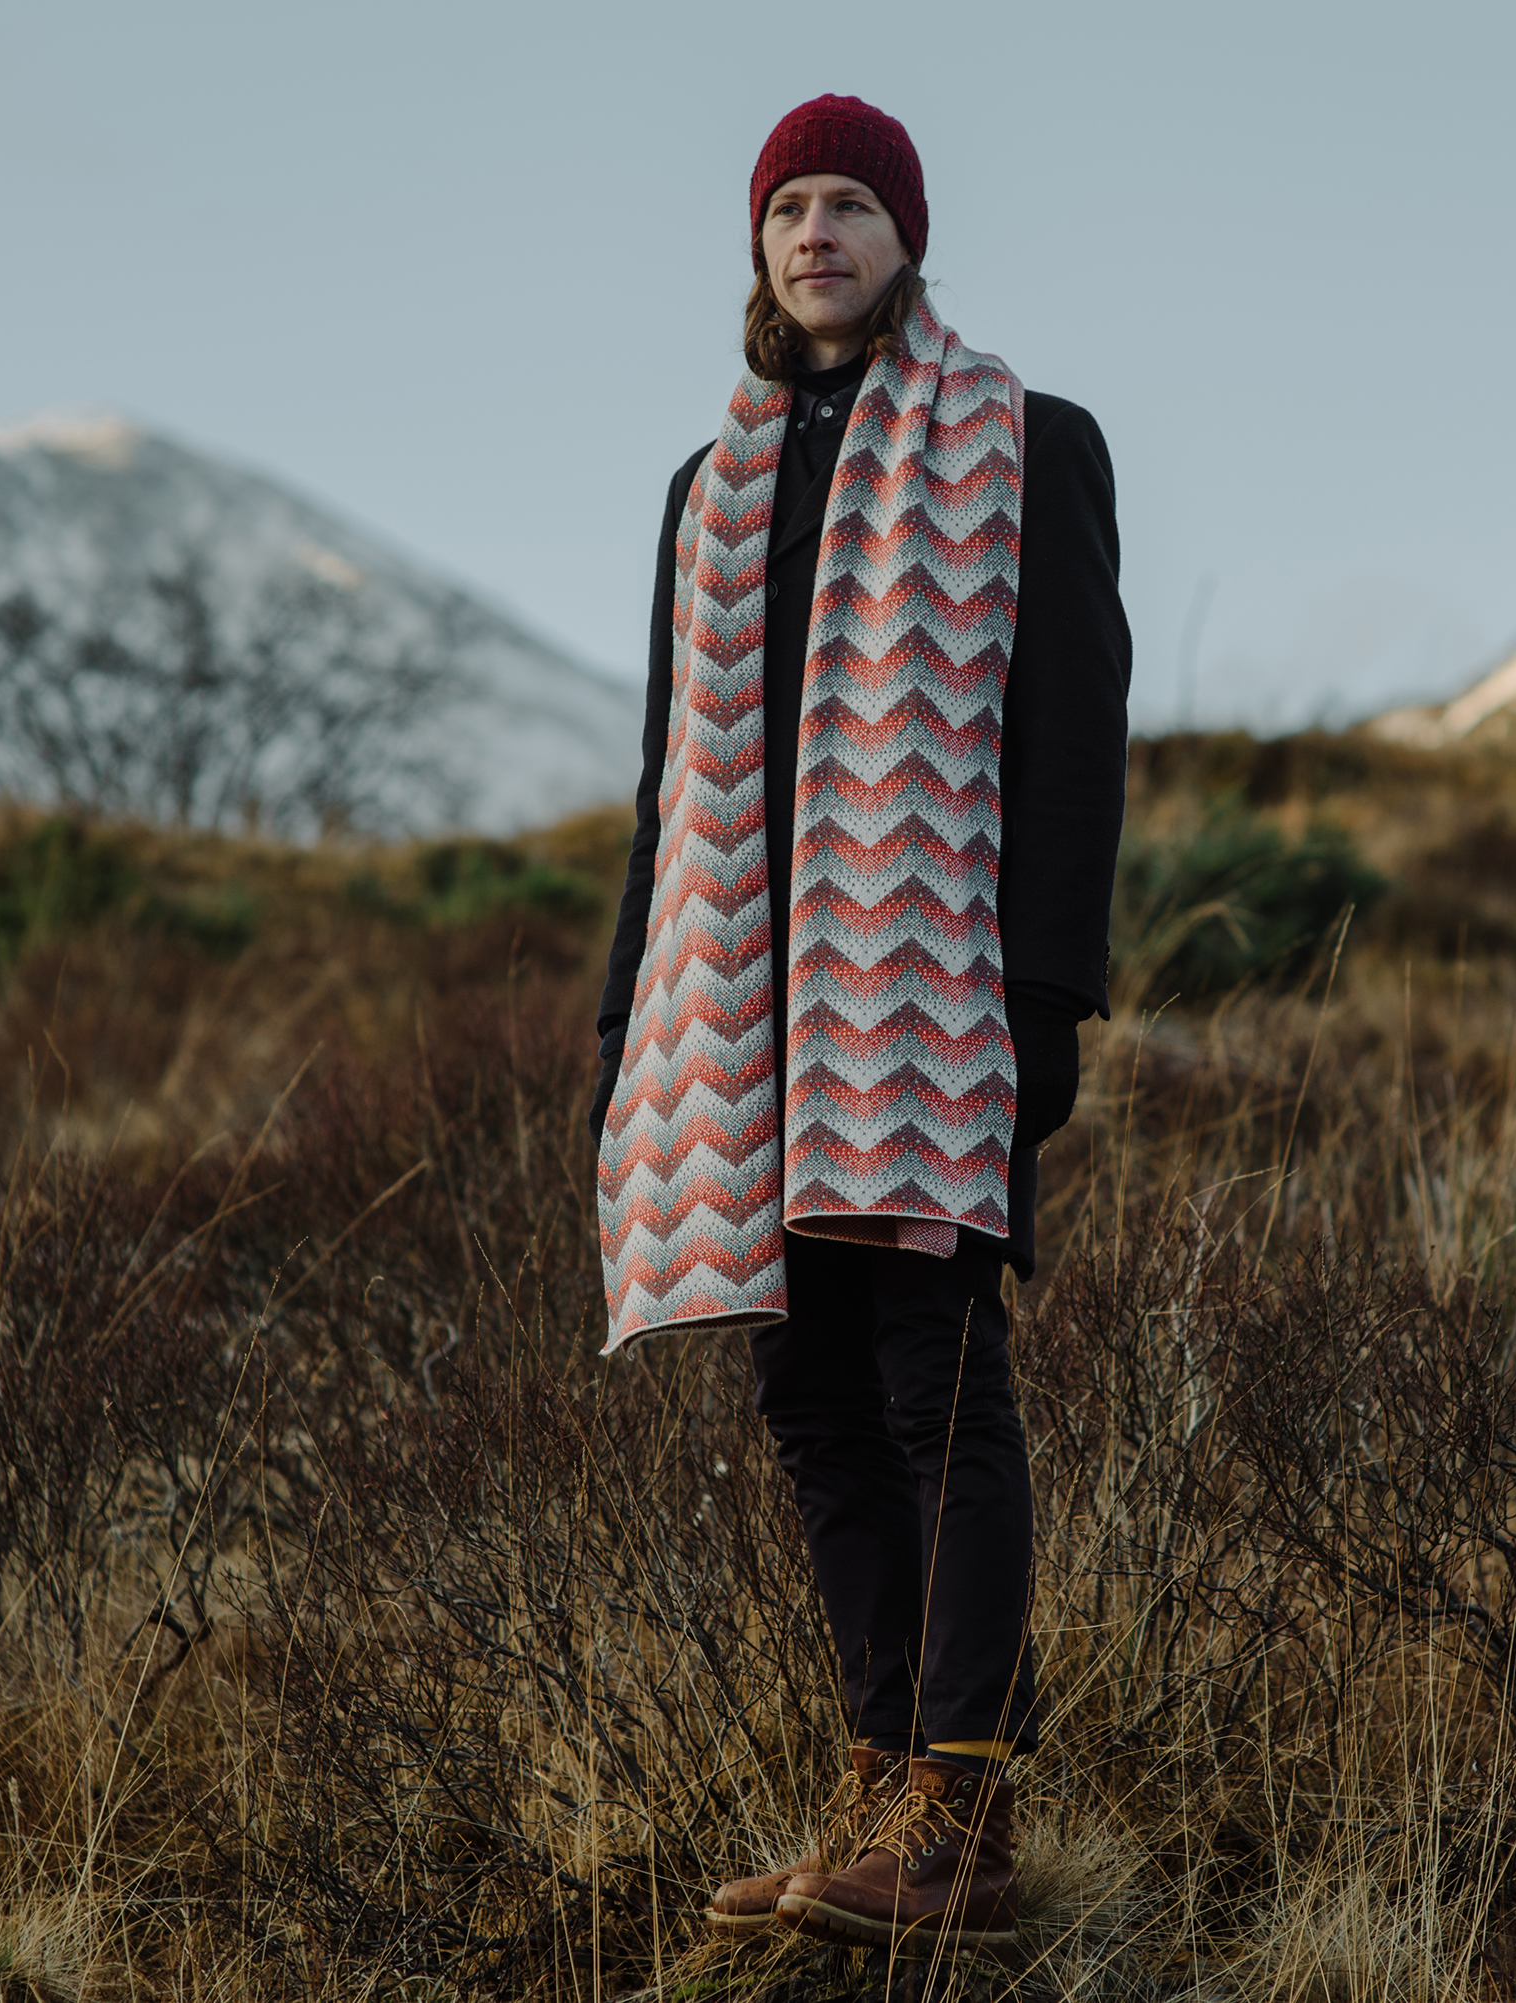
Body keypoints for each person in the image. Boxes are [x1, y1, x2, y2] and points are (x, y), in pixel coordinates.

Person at [589, 94, 1130, 1951]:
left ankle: (964, 1829)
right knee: (810, 1407)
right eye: (788, 207)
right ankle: (881, 1780)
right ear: (759, 246)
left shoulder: (1025, 445)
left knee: (937, 1389)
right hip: (738, 1021)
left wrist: (1046, 997)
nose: (815, 232)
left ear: (905, 234)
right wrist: (620, 1037)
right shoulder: (710, 490)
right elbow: (672, 791)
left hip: (925, 1016)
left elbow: (1071, 748)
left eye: (849, 205)